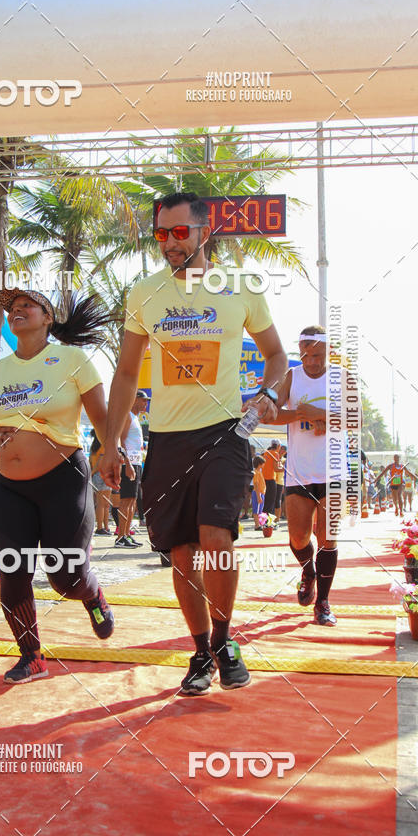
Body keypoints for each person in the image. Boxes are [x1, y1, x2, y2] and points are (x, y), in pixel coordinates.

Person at [100, 191, 287, 694]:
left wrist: (267, 393)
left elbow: (276, 355)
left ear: (206, 231)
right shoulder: (144, 293)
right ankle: (201, 650)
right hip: (165, 439)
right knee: (181, 554)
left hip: (225, 432)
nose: (169, 243)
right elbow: (123, 373)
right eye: (161, 234)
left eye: (180, 232)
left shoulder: (241, 287)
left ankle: (226, 643)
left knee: (216, 539)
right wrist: (111, 442)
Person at [0, 287, 119, 685]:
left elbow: (102, 416)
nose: (16, 311)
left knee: (66, 578)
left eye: (26, 306)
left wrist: (111, 453)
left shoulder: (72, 359)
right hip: (8, 486)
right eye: (11, 309)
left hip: (62, 480)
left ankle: (91, 594)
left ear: (47, 318)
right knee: (14, 571)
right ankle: (32, 657)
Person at [272, 325, 345, 626]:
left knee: (327, 537)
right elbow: (272, 413)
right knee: (298, 537)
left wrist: (320, 416)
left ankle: (324, 603)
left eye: (317, 355)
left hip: (333, 471)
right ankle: (308, 571)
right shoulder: (291, 376)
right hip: (299, 473)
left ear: (328, 352)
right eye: (305, 355)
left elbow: (358, 419)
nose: (311, 361)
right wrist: (300, 414)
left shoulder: (340, 377)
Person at [115, 390, 148, 548]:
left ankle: (126, 534)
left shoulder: (136, 417)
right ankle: (120, 536)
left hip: (136, 463)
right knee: (126, 500)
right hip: (128, 463)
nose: (145, 403)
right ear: (134, 399)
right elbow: (121, 441)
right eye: (143, 400)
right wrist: (127, 464)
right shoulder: (128, 415)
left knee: (133, 500)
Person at [89, 431, 112, 535]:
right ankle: (101, 527)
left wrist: (92, 474)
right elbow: (100, 462)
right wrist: (93, 473)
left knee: (103, 504)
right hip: (103, 474)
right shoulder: (104, 445)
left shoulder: (93, 448)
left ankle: (103, 527)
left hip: (99, 475)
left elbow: (91, 462)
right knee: (104, 504)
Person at [262, 439, 281, 518]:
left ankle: (263, 521)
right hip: (270, 480)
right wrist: (285, 468)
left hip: (264, 480)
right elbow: (276, 469)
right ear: (278, 446)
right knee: (271, 503)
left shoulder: (265, 453)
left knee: (265, 502)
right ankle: (269, 523)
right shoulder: (275, 454)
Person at [251, 454, 266, 530]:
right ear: (260, 464)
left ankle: (259, 524)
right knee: (256, 510)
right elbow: (256, 484)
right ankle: (257, 525)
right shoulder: (256, 472)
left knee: (259, 510)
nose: (264, 465)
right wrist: (258, 496)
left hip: (261, 493)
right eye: (263, 463)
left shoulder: (259, 472)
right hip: (258, 493)